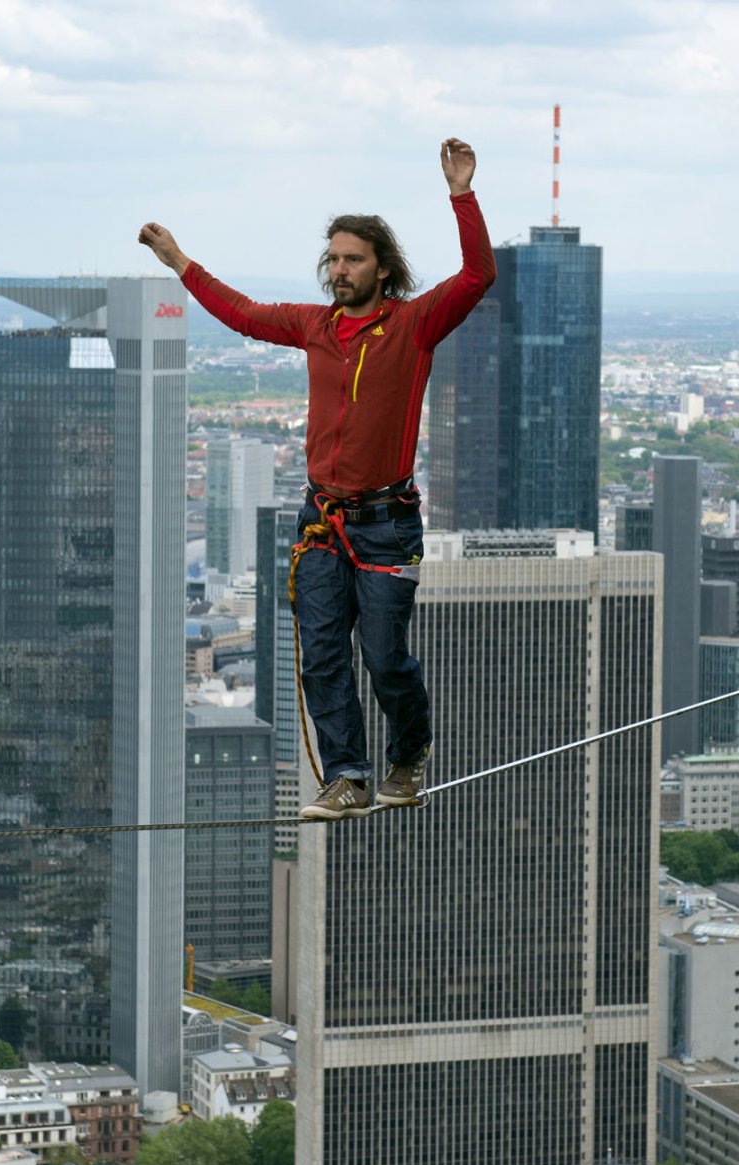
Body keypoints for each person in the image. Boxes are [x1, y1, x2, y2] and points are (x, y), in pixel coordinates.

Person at [140, 138, 494, 819]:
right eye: (332, 258)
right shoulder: (315, 326)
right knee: (323, 657)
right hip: (323, 521)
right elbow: (242, 313)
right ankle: (347, 775)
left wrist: (462, 194)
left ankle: (408, 756)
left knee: (384, 658)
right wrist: (180, 262)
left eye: (352, 259)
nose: (338, 270)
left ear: (382, 268)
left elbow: (478, 276)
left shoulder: (414, 325)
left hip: (386, 523)